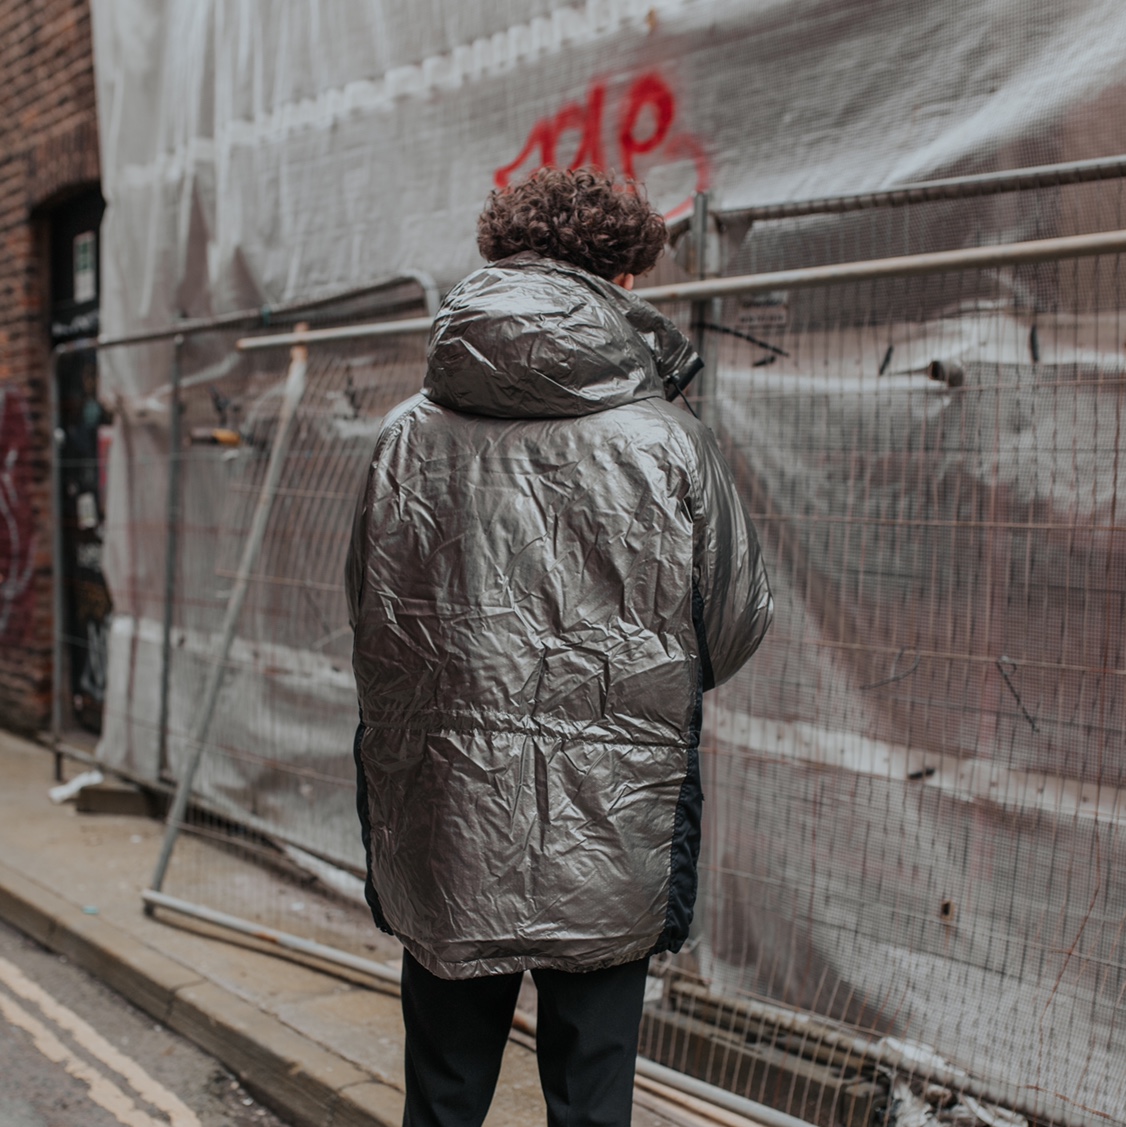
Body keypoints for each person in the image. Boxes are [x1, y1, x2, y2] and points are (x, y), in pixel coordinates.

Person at [346, 166, 772, 1127]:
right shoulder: (667, 439)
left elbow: (369, 616)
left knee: (445, 1089)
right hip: (615, 810)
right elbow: (736, 622)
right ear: (618, 275)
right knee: (591, 1094)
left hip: (448, 803)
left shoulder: (404, 436)